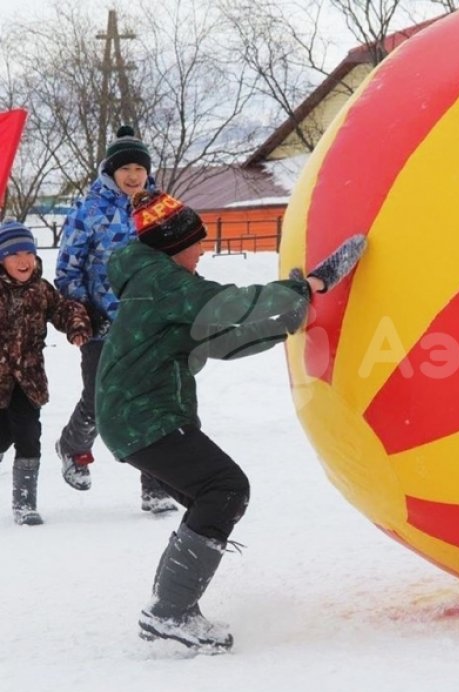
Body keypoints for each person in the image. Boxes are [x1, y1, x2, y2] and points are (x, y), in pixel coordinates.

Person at [95, 190, 366, 650]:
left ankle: (170, 608)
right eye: (196, 243)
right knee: (224, 488)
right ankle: (170, 611)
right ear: (174, 245)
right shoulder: (165, 282)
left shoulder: (153, 280)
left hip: (135, 416)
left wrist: (290, 317)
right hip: (143, 415)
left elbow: (222, 339)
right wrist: (306, 287)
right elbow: (229, 306)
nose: (203, 251)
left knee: (215, 494)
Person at [54, 125, 177, 513]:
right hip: (101, 321)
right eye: (126, 168)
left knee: (151, 400)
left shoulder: (160, 208)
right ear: (111, 170)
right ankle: (74, 447)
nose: (133, 175)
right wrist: (82, 312)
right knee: (99, 395)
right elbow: (67, 270)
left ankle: (155, 486)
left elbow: (179, 255)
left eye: (140, 168)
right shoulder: (88, 211)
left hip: (148, 320)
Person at [0, 220, 91, 525]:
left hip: (28, 381)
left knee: (29, 436)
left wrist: (76, 325)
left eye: (29, 252)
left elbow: (64, 309)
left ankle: (25, 503)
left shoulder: (41, 290)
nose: (24, 260)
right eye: (14, 254)